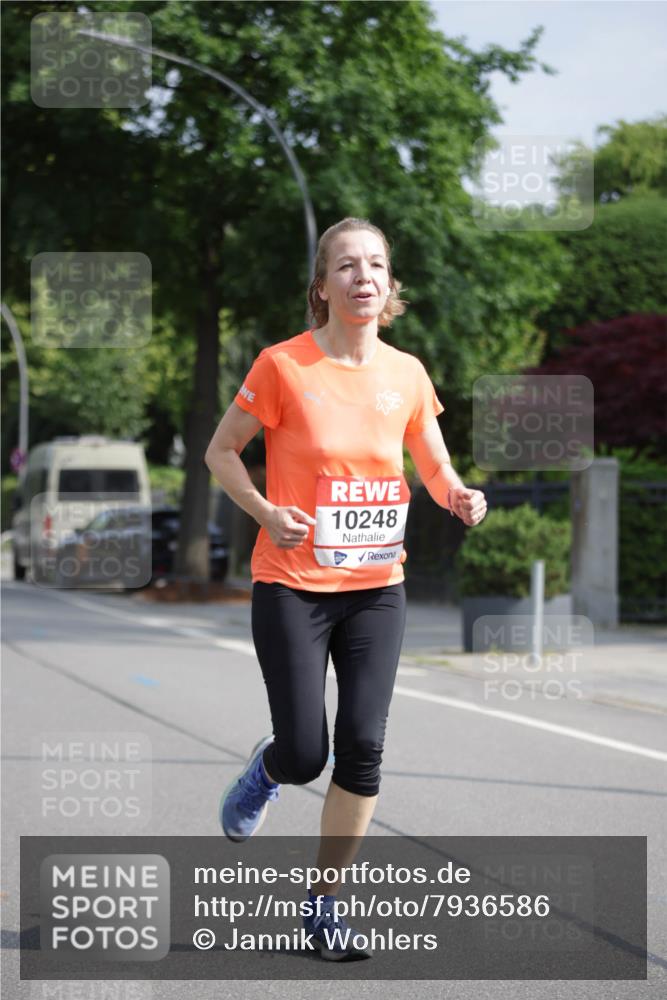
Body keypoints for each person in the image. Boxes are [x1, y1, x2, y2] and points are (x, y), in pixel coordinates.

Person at [204, 217, 487, 961]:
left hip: (374, 588)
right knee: (306, 753)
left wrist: (458, 494)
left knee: (362, 747)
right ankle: (269, 768)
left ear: (389, 288)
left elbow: (433, 465)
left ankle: (324, 906)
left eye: (377, 266)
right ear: (321, 286)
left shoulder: (407, 374)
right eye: (347, 266)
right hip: (291, 584)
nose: (364, 276)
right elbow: (220, 452)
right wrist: (265, 511)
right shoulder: (282, 366)